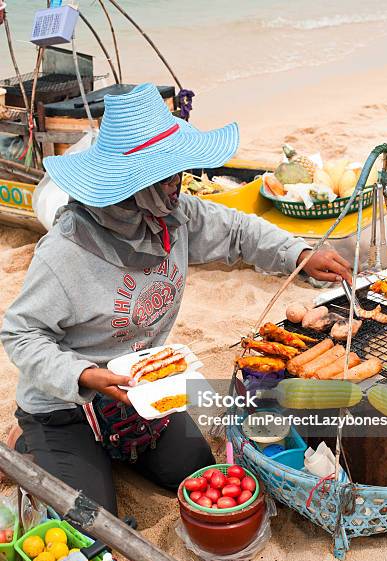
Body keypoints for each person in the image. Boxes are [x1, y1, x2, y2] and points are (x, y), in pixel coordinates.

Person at [0, 83, 351, 516]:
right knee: (94, 521)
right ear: (133, 186)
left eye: (178, 174)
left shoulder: (175, 216)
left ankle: (104, 453)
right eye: (167, 177)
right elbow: (21, 333)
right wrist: (86, 375)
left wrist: (298, 252)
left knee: (196, 470)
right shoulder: (66, 253)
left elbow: (239, 232)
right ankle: (29, 438)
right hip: (68, 404)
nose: (178, 186)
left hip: (141, 390)